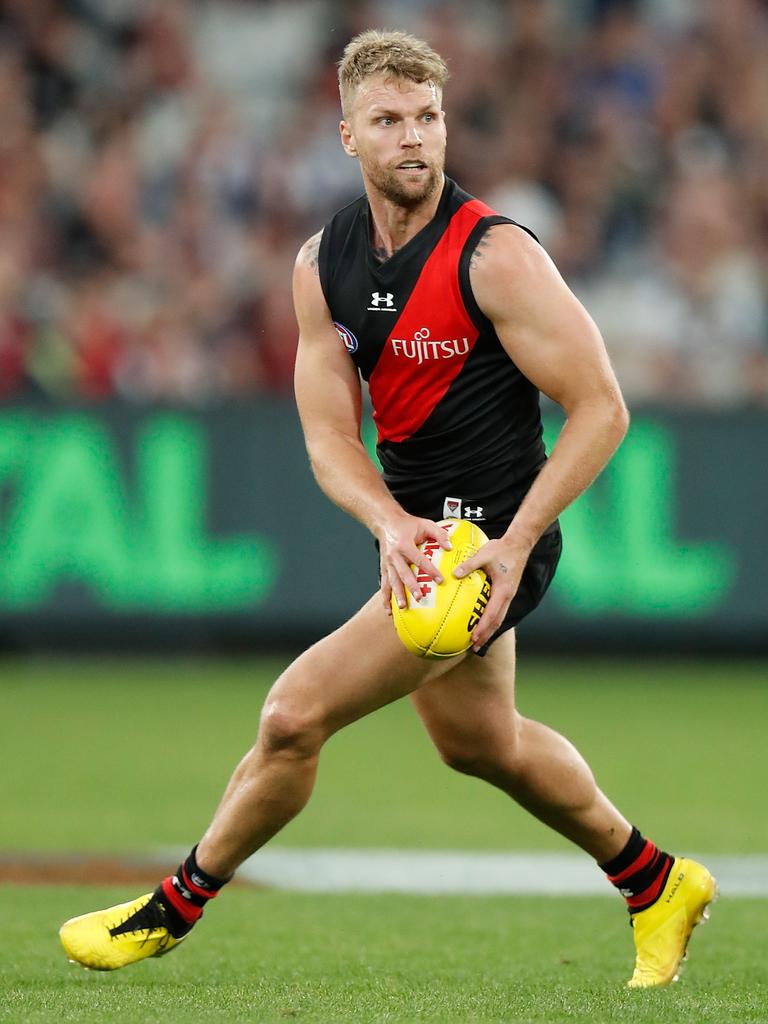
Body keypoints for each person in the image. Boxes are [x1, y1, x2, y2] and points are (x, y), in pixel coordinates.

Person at [59, 29, 715, 988]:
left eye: (429, 118)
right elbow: (330, 438)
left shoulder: (495, 257)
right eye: (389, 120)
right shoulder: (322, 266)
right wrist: (388, 523)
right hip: (422, 544)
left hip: (489, 549)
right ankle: (658, 882)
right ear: (348, 137)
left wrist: (513, 541)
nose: (414, 138)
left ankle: (172, 907)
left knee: (292, 717)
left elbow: (602, 408)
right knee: (481, 745)